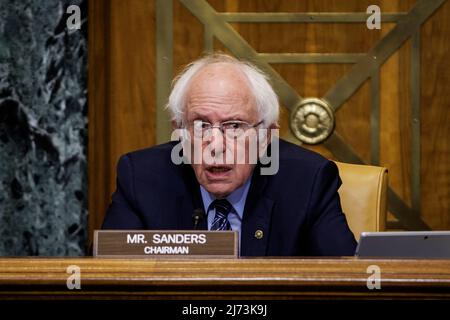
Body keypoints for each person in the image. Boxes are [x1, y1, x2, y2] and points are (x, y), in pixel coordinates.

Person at [102, 53, 357, 256]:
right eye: (201, 125)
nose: (216, 145)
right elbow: (110, 280)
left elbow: (347, 281)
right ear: (180, 133)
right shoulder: (141, 178)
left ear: (265, 136)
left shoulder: (307, 180)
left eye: (234, 126)